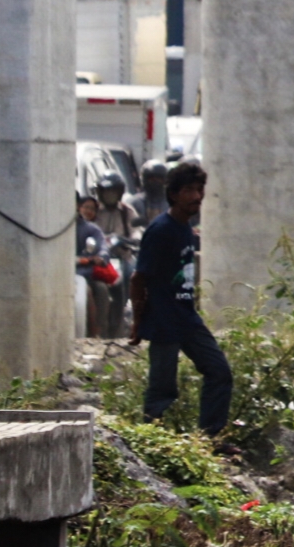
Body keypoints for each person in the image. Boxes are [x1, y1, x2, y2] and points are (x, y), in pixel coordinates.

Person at [131, 160, 233, 434]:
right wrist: (137, 322)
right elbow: (139, 278)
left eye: (200, 190)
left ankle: (209, 439)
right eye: (189, 190)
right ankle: (150, 444)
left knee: (219, 371)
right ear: (174, 194)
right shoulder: (161, 230)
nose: (197, 196)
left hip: (186, 318)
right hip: (164, 322)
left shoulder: (185, 229)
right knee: (162, 391)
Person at [94, 175, 140, 338]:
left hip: (122, 256)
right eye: (106, 192)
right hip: (100, 259)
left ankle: (129, 313)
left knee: (133, 274)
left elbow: (137, 230)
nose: (110, 196)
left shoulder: (127, 211)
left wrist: (132, 239)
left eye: (113, 192)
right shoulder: (95, 211)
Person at [75, 195, 114, 339]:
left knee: (101, 289)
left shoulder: (91, 229)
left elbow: (103, 247)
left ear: (77, 206)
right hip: (60, 274)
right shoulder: (52, 228)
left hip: (85, 274)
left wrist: (101, 257)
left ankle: (98, 333)